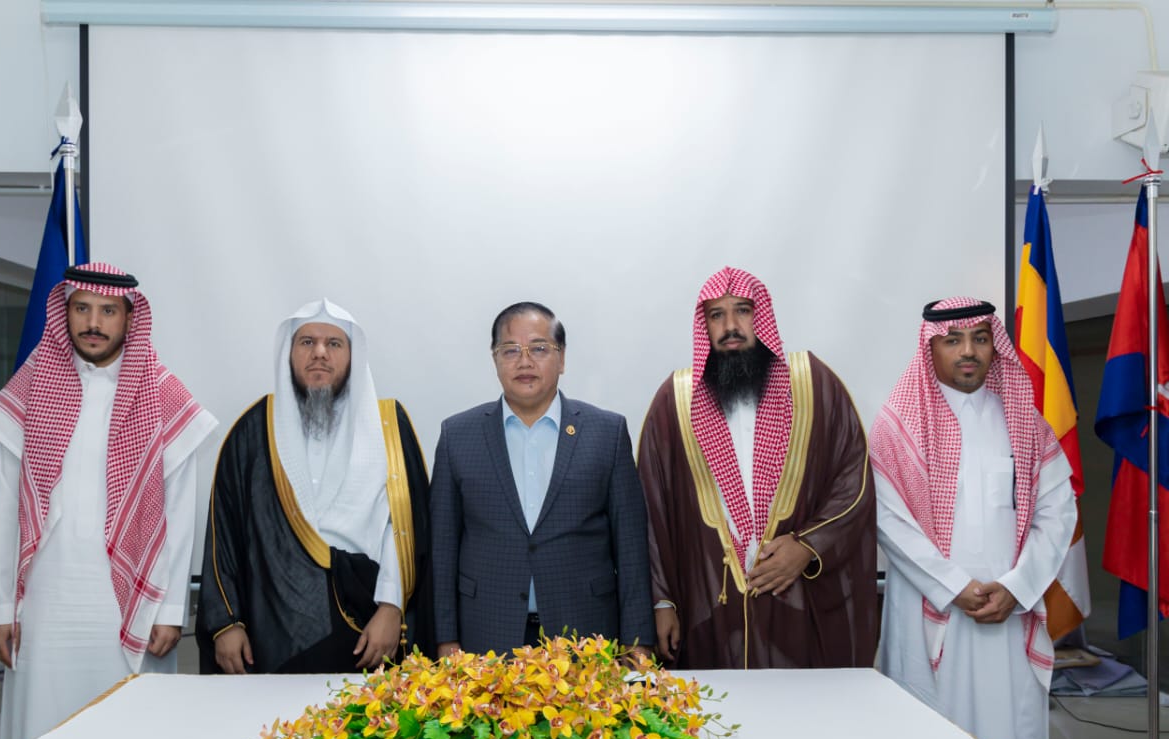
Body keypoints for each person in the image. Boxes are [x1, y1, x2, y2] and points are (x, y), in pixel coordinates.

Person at [0, 263, 217, 739]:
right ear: (64, 314)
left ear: (129, 318)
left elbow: (178, 515)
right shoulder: (30, 389)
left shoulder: (162, 395)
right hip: (45, 601)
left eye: (108, 311)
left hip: (129, 603)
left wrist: (170, 610)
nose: (93, 323)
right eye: (82, 309)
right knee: (43, 736)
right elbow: (0, 506)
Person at [872, 297, 1075, 739]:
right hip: (928, 612)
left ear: (993, 346)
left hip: (1009, 613)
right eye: (953, 340)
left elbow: (1057, 512)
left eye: (980, 339)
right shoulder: (896, 427)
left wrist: (1018, 587)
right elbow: (888, 521)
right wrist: (955, 587)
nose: (968, 351)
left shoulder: (1026, 424)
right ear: (931, 348)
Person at [637, 266, 877, 669]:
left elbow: (853, 482)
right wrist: (662, 601)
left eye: (743, 311)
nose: (731, 326)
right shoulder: (675, 400)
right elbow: (650, 510)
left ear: (761, 315)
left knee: (798, 704)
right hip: (708, 603)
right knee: (715, 705)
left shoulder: (813, 384)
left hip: (798, 601)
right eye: (717, 315)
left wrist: (807, 546)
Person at [196, 299, 431, 674]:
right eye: (307, 342)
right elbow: (222, 534)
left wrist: (392, 609)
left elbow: (405, 530)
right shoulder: (254, 429)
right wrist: (227, 623)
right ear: (289, 354)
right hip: (271, 627)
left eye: (334, 343)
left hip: (369, 625)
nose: (320, 353)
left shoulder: (388, 425)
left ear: (353, 357)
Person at [431, 302, 654, 657]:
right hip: (485, 631)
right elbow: (442, 548)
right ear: (494, 359)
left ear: (561, 358)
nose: (524, 362)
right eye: (510, 350)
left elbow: (630, 547)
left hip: (585, 631)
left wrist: (637, 641)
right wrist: (445, 638)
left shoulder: (606, 432)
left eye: (539, 348)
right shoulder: (458, 435)